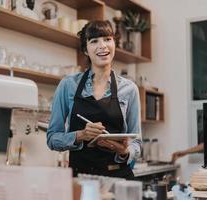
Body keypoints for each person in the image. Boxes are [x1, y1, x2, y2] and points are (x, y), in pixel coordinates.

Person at [46, 20, 142, 179]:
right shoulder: (68, 85)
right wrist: (80, 135)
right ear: (85, 50)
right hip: (80, 179)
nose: (102, 45)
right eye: (94, 41)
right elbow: (52, 138)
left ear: (114, 44)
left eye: (107, 39)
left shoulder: (129, 89)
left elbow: (136, 142)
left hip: (118, 178)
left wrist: (124, 151)